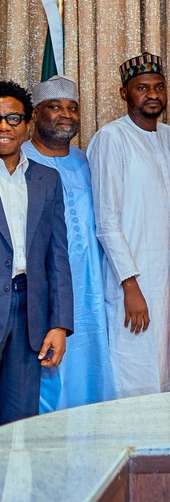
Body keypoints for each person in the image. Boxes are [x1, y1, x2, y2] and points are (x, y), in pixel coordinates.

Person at [88, 52, 170, 397]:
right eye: (142, 88)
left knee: (168, 368)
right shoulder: (111, 138)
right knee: (134, 369)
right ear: (124, 93)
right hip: (132, 280)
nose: (152, 94)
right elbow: (106, 221)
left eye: (158, 87)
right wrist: (130, 285)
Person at [22, 76, 115, 410]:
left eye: (72, 108)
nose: (65, 114)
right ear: (34, 115)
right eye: (55, 107)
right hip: (44, 289)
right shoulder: (20, 161)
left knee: (91, 367)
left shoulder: (86, 161)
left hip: (89, 288)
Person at [0, 81, 72, 424]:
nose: (4, 126)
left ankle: (13, 482)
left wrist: (59, 324)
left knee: (19, 424)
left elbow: (58, 258)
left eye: (13, 118)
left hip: (29, 311)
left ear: (27, 124)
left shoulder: (46, 179)